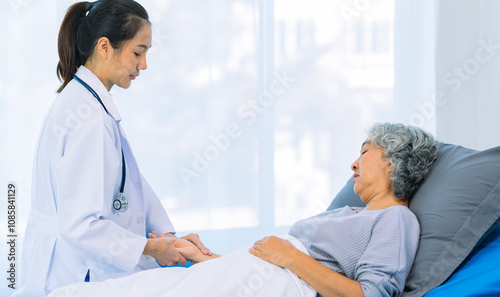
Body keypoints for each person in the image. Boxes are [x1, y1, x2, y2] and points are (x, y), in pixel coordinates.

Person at [48, 122, 438, 297]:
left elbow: (369, 296)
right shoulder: (349, 215)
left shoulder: (397, 220)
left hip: (286, 282)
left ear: (393, 161)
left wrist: (287, 255)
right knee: (132, 289)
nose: (353, 164)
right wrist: (206, 260)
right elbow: (265, 269)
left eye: (365, 152)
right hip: (264, 275)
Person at [12, 0, 210, 297]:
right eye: (138, 52)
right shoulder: (89, 119)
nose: (143, 65)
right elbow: (81, 225)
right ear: (104, 47)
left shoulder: (85, 104)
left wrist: (166, 236)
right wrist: (152, 247)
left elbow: (128, 183)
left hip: (74, 268)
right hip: (79, 274)